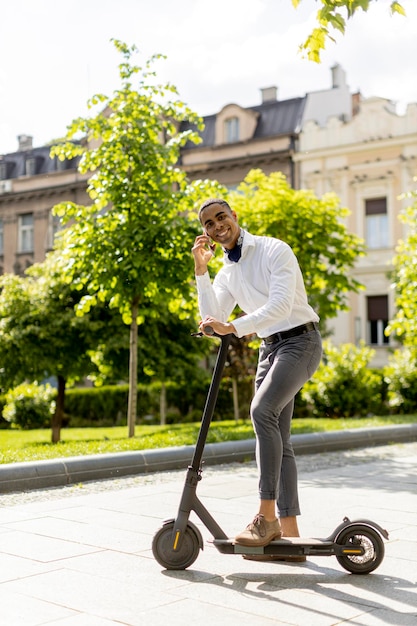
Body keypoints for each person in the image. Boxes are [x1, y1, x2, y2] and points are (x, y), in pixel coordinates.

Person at [192, 198, 322, 557]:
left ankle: (266, 518)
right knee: (279, 437)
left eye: (222, 218)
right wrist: (201, 272)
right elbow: (211, 318)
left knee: (262, 412)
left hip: (301, 341)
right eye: (208, 224)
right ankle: (291, 534)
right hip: (270, 348)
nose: (217, 226)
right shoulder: (226, 272)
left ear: (235, 218)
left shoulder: (274, 250)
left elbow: (280, 306)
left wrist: (233, 326)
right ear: (207, 234)